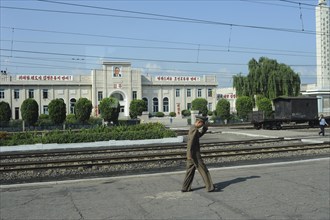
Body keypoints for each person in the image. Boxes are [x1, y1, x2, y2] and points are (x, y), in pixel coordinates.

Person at [181, 115, 215, 192]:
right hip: (194, 155)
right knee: (204, 170)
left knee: (190, 172)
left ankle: (185, 187)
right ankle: (210, 187)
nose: (201, 126)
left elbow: (198, 136)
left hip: (191, 155)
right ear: (199, 122)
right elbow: (190, 143)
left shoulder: (193, 128)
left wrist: (204, 129)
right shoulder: (194, 130)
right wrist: (189, 155)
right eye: (202, 125)